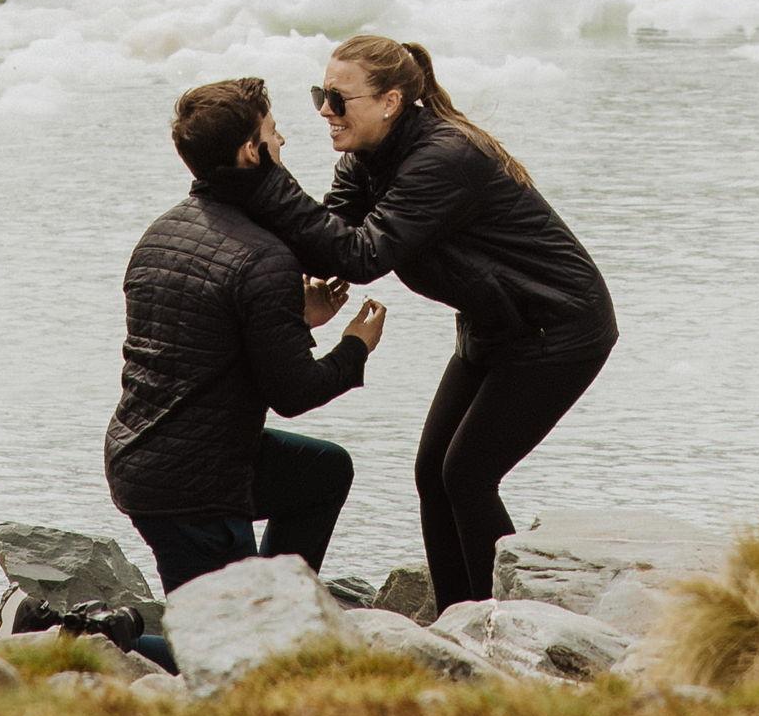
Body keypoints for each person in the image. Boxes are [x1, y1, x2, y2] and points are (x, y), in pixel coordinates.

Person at [235, 34, 616, 611]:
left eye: (338, 99)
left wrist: (269, 182)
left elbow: (362, 256)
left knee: (465, 473)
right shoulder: (364, 159)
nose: (322, 111)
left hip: (559, 328)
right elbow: (325, 239)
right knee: (431, 472)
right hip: (493, 326)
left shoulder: (443, 158)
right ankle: (457, 615)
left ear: (389, 102)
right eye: (320, 94)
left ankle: (501, 622)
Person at [102, 75, 387, 616]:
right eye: (274, 134)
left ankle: (278, 604)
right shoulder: (265, 258)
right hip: (192, 487)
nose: (283, 144)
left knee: (322, 472)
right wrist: (355, 346)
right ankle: (81, 634)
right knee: (224, 642)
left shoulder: (162, 231)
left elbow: (215, 344)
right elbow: (294, 392)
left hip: (145, 453)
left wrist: (297, 319)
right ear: (249, 152)